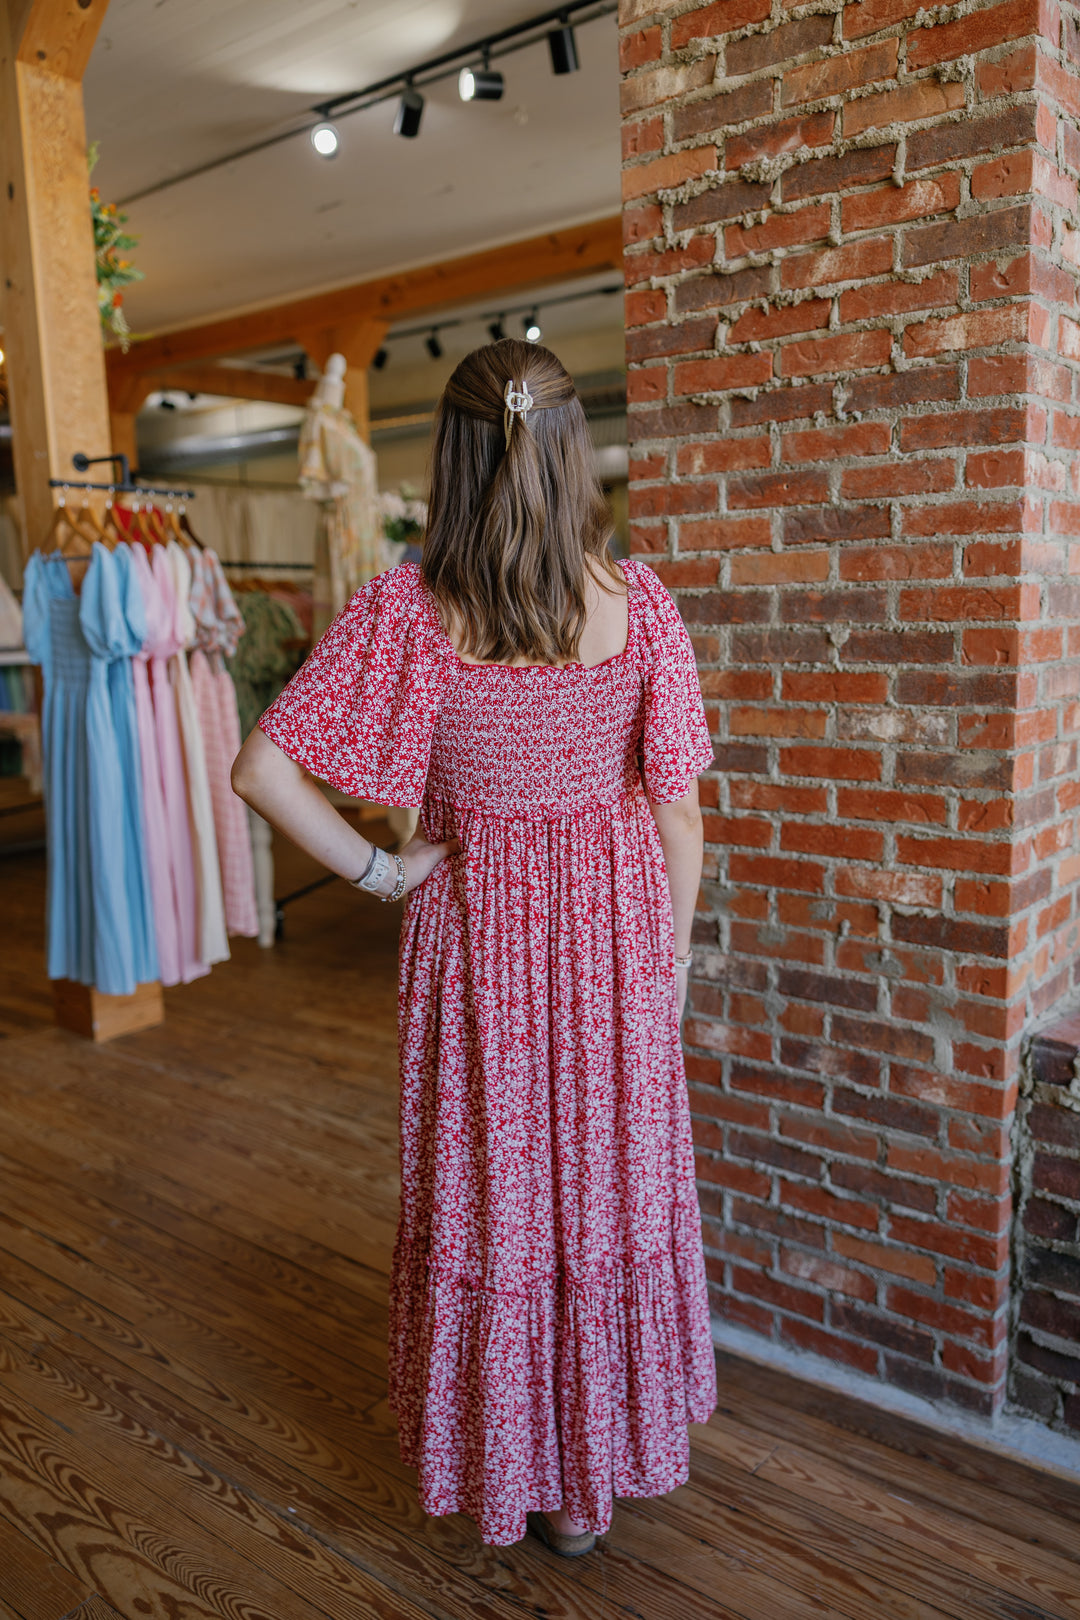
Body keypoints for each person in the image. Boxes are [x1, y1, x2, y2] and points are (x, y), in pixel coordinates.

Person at [231, 337, 717, 1556]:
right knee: (601, 1201)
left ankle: (515, 1467)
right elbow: (679, 813)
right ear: (573, 451)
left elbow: (261, 771)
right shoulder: (641, 604)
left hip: (479, 951)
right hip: (614, 949)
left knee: (498, 1204)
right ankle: (587, 1488)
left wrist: (385, 874)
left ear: (452, 458)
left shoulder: (409, 611)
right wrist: (669, 970)